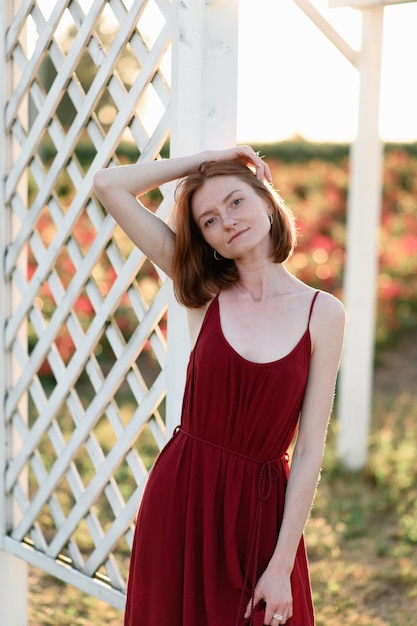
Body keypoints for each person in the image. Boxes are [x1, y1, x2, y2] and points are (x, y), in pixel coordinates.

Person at [93, 146, 345, 626]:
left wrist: (281, 563)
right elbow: (108, 184)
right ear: (205, 240)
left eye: (235, 202)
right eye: (208, 220)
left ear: (267, 201)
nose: (226, 221)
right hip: (182, 497)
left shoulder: (323, 313)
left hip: (260, 510)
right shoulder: (203, 292)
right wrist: (208, 160)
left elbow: (311, 448)